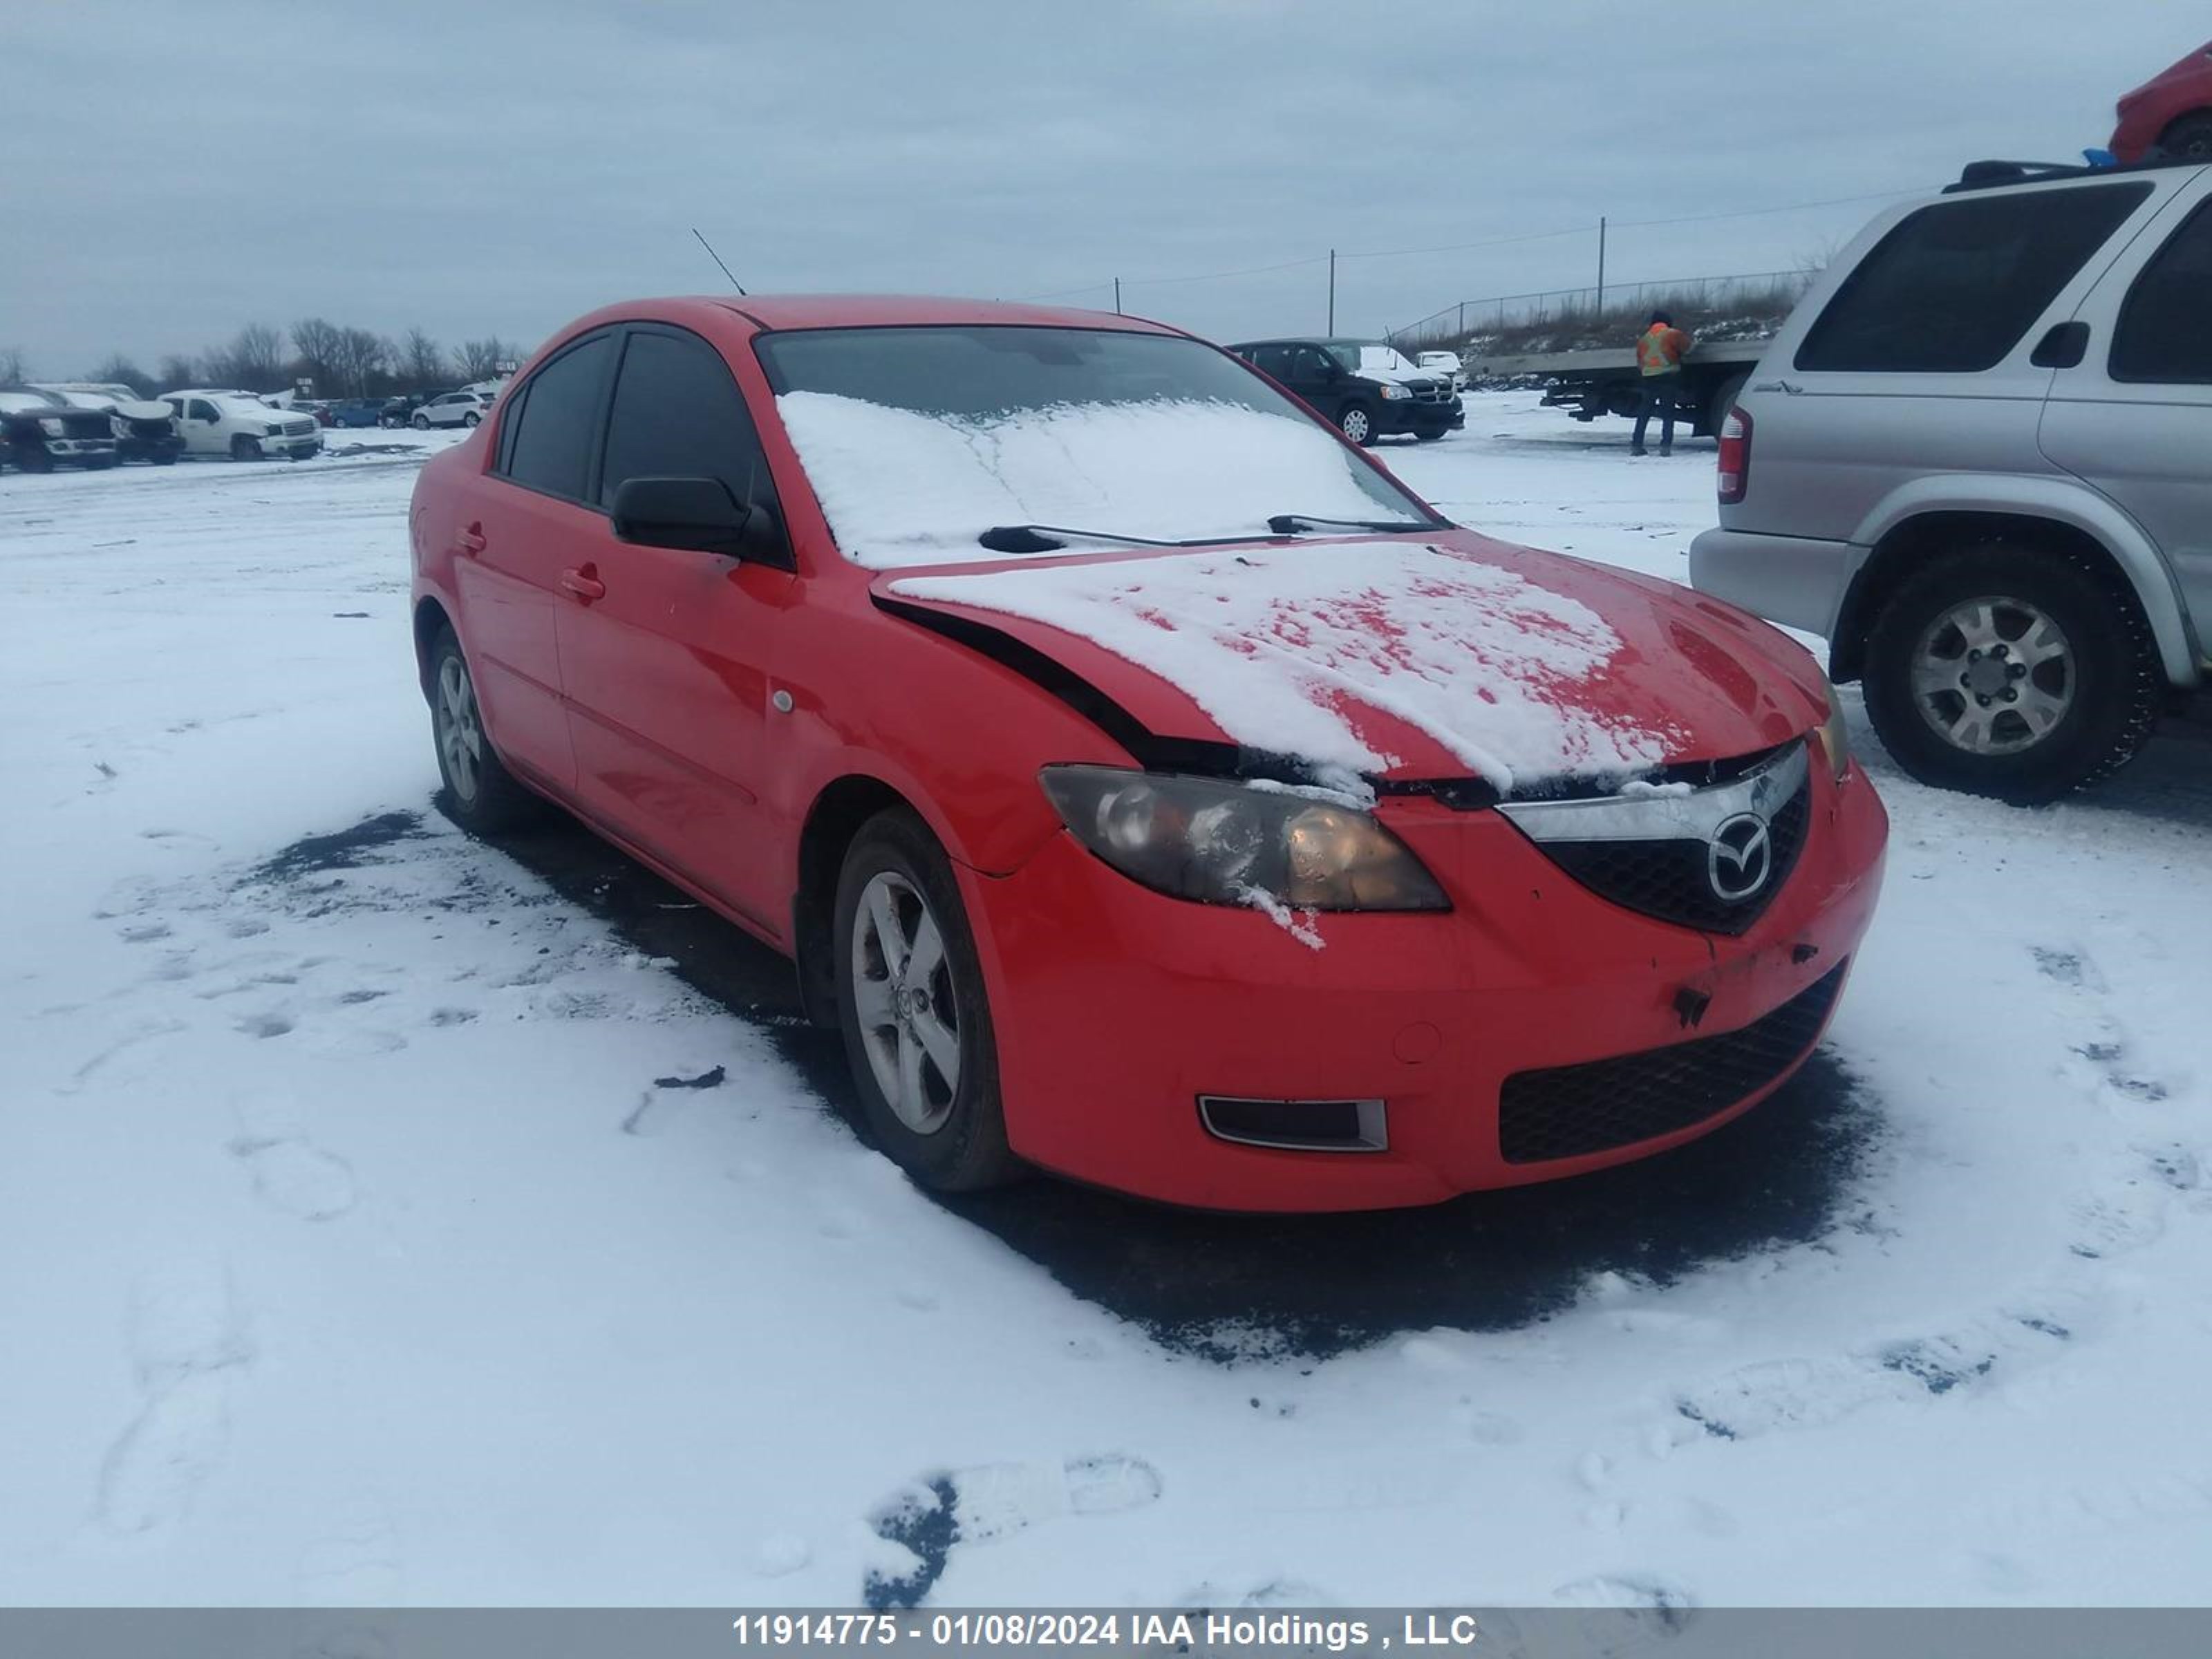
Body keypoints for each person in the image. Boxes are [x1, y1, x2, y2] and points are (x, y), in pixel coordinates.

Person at [1631, 309, 1693, 456]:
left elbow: (1640, 362)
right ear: (1667, 321)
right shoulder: (1673, 334)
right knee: (1668, 414)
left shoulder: (1644, 339)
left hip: (1648, 379)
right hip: (1668, 378)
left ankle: (1636, 446)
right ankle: (1665, 447)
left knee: (1644, 413)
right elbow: (1689, 350)